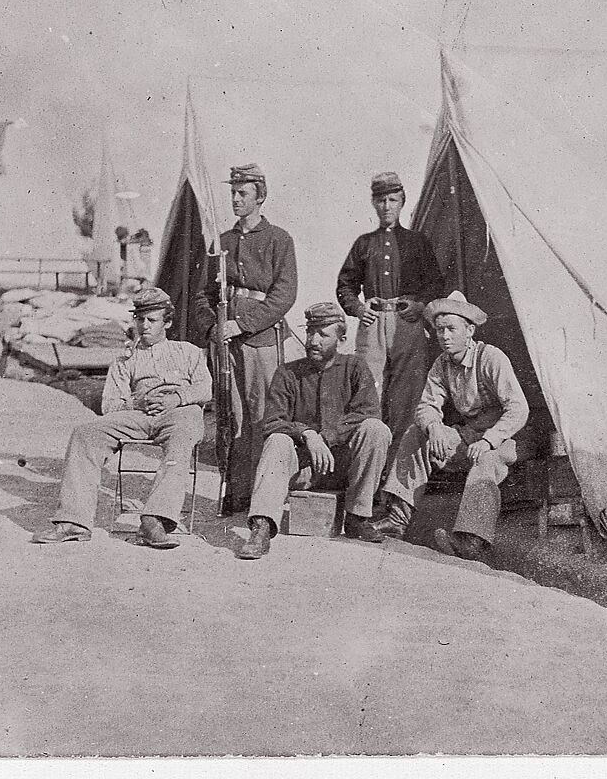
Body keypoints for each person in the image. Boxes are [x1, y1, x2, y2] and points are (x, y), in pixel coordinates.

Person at [31, 288, 211, 549]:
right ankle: (74, 521)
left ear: (168, 322)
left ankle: (155, 521)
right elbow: (110, 405)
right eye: (140, 320)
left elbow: (204, 389)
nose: (144, 326)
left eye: (152, 320)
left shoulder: (188, 352)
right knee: (86, 433)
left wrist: (177, 398)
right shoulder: (125, 359)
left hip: (178, 412)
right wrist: (136, 402)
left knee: (184, 431)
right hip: (138, 414)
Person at [367, 292, 532, 561]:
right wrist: (434, 429)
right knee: (416, 433)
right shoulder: (442, 364)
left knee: (486, 460)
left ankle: (472, 539)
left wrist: (489, 440)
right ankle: (398, 518)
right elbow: (427, 405)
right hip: (472, 434)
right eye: (440, 330)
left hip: (511, 435)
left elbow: (518, 409)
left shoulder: (490, 357)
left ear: (470, 330)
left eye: (451, 329)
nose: (444, 336)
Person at [238, 302, 391, 559]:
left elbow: (368, 412)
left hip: (343, 466)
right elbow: (273, 421)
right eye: (310, 332)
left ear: (341, 339)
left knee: (376, 430)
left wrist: (326, 437)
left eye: (323, 334)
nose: (313, 340)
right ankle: (262, 527)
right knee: (277, 440)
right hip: (303, 468)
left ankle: (357, 517)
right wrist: (308, 434)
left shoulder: (355, 368)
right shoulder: (288, 372)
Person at [193, 163, 298, 513]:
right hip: (223, 342)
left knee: (261, 416)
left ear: (260, 196)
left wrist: (244, 324)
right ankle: (235, 491)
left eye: (243, 193)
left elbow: (284, 295)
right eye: (233, 193)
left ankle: (263, 495)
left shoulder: (279, 240)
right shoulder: (221, 243)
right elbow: (202, 296)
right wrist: (213, 327)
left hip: (259, 340)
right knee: (229, 416)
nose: (235, 199)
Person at [336, 171, 443, 448]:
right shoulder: (364, 244)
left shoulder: (417, 241)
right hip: (373, 323)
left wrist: (419, 305)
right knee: (368, 389)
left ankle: (398, 465)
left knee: (408, 393)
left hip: (407, 320)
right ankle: (371, 460)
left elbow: (435, 282)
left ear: (402, 202)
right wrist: (359, 309)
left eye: (392, 200)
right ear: (373, 203)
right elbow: (345, 285)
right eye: (381, 200)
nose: (386, 206)